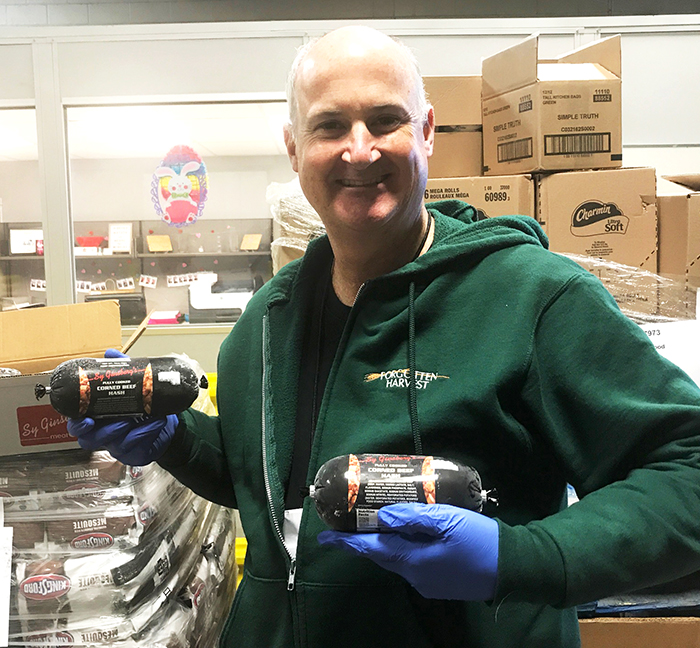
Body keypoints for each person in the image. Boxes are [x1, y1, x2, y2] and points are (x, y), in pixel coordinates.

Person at [67, 26, 700, 648]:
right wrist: (173, 438)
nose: (360, 149)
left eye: (385, 120)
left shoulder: (532, 297)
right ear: (294, 149)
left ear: (426, 132)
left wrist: (520, 557)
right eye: (330, 126)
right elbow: (266, 490)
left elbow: (687, 468)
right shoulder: (266, 320)